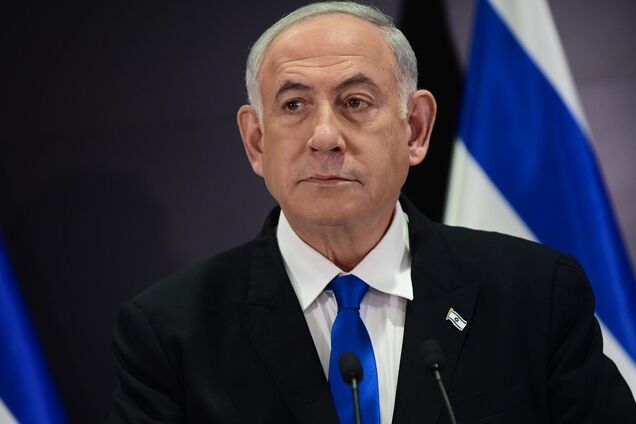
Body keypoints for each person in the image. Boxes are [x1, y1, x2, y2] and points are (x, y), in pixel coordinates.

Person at [108, 2, 636, 423]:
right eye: (294, 105)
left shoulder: (533, 294)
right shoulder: (171, 331)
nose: (324, 137)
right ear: (256, 141)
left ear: (415, 128)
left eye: (355, 102)